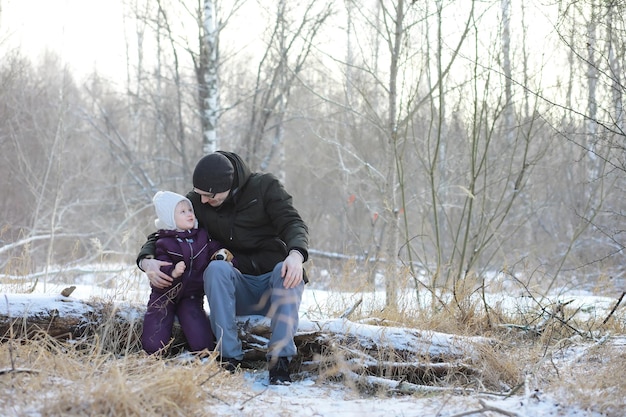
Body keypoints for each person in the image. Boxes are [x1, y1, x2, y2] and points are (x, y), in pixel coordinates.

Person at [137, 151, 308, 385]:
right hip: (235, 290)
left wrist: (296, 255)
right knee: (216, 269)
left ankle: (279, 362)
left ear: (227, 187)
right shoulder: (200, 200)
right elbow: (165, 231)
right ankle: (229, 358)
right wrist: (146, 260)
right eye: (200, 196)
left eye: (209, 195)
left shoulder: (265, 187)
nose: (203, 201)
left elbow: (293, 223)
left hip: (274, 288)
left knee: (287, 270)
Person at [141, 190, 236, 355]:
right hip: (165, 294)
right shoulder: (164, 241)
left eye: (190, 210)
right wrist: (173, 271)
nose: (189, 214)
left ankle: (205, 354)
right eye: (182, 212)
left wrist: (227, 258)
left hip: (191, 296)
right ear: (170, 218)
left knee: (198, 329)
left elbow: (215, 249)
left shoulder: (202, 236)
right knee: (156, 327)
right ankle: (153, 355)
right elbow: (160, 263)